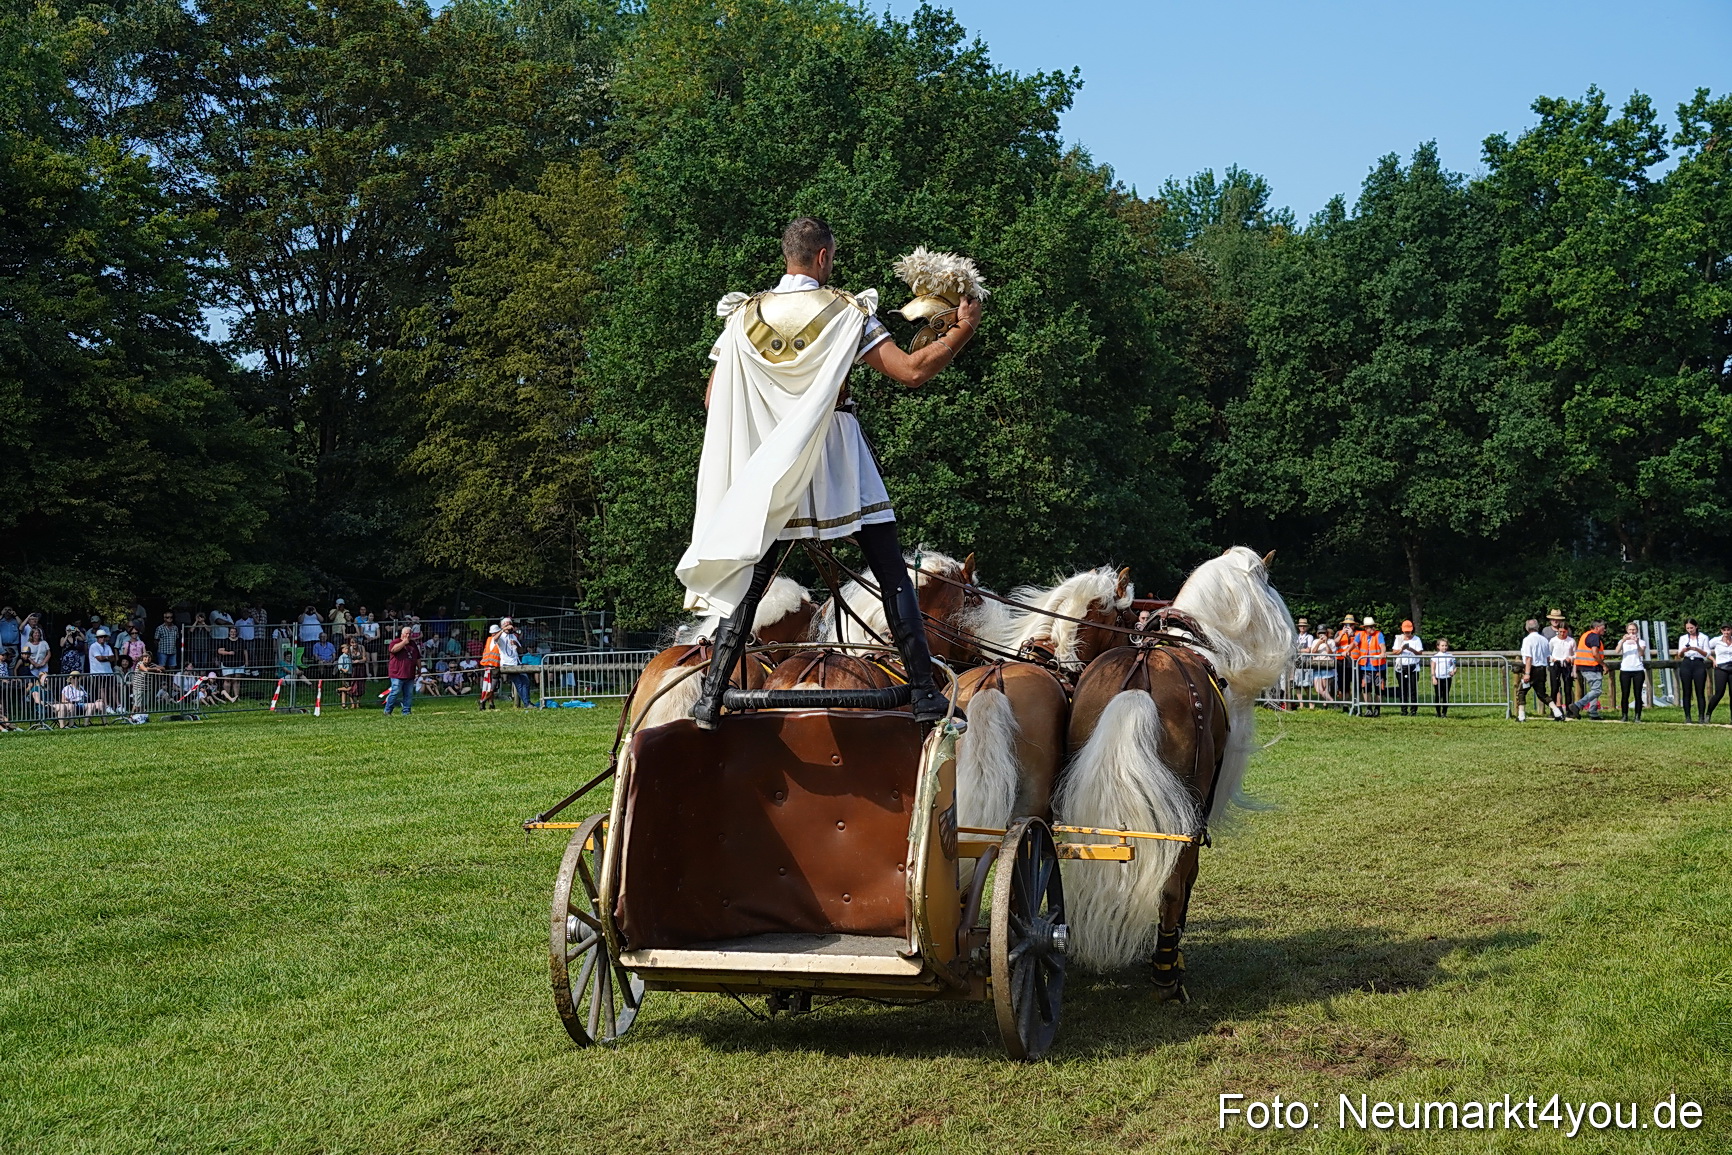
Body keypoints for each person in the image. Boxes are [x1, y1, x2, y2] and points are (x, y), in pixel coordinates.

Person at [681, 218, 983, 728]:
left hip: (773, 466)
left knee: (752, 580)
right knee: (890, 573)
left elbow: (715, 398)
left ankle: (711, 697)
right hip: (837, 459)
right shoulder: (847, 311)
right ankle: (924, 694)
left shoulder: (742, 317)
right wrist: (963, 329)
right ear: (823, 256)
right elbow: (911, 371)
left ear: (788, 256)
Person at [1566, 619, 1606, 720]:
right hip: (1591, 666)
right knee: (1597, 690)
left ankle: (1593, 713)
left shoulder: (1586, 635)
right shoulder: (1594, 636)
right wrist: (1603, 665)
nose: (1605, 630)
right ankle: (1577, 705)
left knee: (1594, 690)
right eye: (1603, 627)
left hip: (1584, 666)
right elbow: (1595, 653)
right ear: (1597, 628)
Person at [1516, 619, 1555, 722]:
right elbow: (1548, 657)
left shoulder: (1527, 640)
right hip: (1542, 669)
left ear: (1527, 628)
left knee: (1521, 691)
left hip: (1532, 669)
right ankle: (1558, 712)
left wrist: (1527, 673)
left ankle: (1521, 716)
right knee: (1541, 694)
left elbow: (1529, 658)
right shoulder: (1544, 640)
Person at [1676, 619, 1711, 723]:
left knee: (1700, 691)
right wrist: (1684, 650)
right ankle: (1688, 717)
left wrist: (1696, 649)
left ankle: (1701, 717)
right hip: (1686, 663)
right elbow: (1679, 655)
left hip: (1698, 663)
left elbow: (1707, 654)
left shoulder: (1704, 637)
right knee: (1686, 691)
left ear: (1696, 626)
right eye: (1688, 628)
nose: (1690, 630)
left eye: (1691, 628)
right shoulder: (1683, 638)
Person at [382, 626, 421, 716]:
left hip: (410, 673)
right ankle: (387, 710)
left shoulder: (413, 644)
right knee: (395, 692)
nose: (408, 635)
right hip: (397, 673)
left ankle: (406, 711)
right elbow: (393, 650)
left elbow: (418, 657)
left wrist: (419, 668)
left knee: (408, 694)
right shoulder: (395, 642)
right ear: (402, 634)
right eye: (406, 633)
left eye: (410, 633)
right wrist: (404, 642)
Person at [1614, 621, 1647, 722]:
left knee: (1638, 694)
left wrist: (1637, 643)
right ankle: (1624, 715)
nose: (1632, 632)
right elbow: (1617, 651)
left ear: (1637, 631)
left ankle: (1637, 716)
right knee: (1625, 693)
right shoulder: (1622, 641)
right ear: (1627, 630)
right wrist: (1623, 641)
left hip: (1638, 669)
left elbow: (1641, 653)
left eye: (1634, 630)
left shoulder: (1641, 641)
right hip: (1625, 669)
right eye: (1630, 630)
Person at [1389, 620, 1423, 716]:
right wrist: (1402, 649)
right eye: (1406, 631)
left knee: (1413, 689)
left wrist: (1410, 649)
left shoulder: (1416, 639)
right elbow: (1394, 652)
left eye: (1409, 631)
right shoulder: (1399, 639)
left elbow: (1420, 653)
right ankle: (1403, 710)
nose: (1407, 633)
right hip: (1401, 667)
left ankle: (1413, 710)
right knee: (1403, 689)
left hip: (1413, 667)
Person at [496, 617, 531, 708]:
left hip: (517, 662)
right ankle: (527, 703)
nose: (509, 626)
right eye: (506, 624)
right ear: (502, 626)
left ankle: (527, 701)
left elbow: (521, 650)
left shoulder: (513, 636)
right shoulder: (501, 636)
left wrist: (516, 644)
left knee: (526, 681)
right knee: (519, 683)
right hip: (508, 664)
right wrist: (503, 630)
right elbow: (494, 639)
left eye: (510, 624)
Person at [1356, 615, 1386, 717]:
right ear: (1365, 628)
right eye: (1370, 627)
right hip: (1365, 667)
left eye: (1373, 626)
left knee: (1379, 689)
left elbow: (1382, 645)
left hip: (1379, 667)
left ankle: (1377, 709)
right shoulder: (1360, 635)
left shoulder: (1379, 634)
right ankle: (1368, 708)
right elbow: (1354, 644)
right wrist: (1347, 651)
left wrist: (1383, 652)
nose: (1373, 628)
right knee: (1366, 689)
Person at [1548, 622, 1576, 719]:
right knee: (1554, 688)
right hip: (1555, 665)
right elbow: (1548, 653)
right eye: (1560, 631)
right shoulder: (1553, 640)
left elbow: (1575, 653)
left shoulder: (1571, 641)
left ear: (1567, 631)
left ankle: (1569, 710)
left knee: (1567, 688)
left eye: (1564, 632)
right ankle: (1553, 710)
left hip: (1566, 665)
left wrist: (1570, 658)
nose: (1562, 634)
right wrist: (1553, 659)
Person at [1335, 615, 1358, 712]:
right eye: (1346, 625)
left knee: (1355, 684)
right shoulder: (1339, 632)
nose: (1348, 626)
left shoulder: (1358, 634)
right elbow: (1335, 643)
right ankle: (1345, 704)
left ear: (1354, 625)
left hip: (1354, 661)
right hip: (1341, 661)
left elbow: (1359, 643)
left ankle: (1356, 704)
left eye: (1350, 625)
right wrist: (1342, 634)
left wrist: (1352, 635)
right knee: (1344, 685)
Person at [1292, 617, 1315, 707]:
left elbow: (1308, 650)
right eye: (1301, 626)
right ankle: (1301, 704)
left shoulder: (1309, 637)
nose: (1302, 627)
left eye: (1304, 626)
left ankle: (1311, 703)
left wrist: (1298, 650)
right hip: (1297, 662)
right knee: (1297, 684)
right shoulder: (1296, 637)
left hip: (1306, 662)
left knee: (1306, 684)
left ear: (1306, 627)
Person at [1310, 628, 1337, 706]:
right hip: (1317, 666)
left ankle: (1325, 704)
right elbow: (1313, 652)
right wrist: (1319, 643)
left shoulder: (1331, 641)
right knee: (1318, 689)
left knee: (1325, 688)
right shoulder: (1315, 641)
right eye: (1320, 633)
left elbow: (1330, 653)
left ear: (1327, 634)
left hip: (1327, 666)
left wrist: (1326, 643)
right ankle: (1333, 701)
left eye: (1323, 633)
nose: (1321, 635)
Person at [1431, 638, 1457, 717]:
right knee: (1438, 695)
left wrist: (1453, 671)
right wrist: (1433, 677)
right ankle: (1438, 712)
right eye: (1442, 645)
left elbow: (1454, 666)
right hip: (1438, 678)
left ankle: (1444, 712)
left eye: (1446, 645)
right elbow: (1433, 668)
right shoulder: (1435, 656)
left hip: (1447, 678)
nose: (1444, 647)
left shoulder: (1450, 656)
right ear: (1438, 646)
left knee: (1446, 695)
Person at [478, 624, 501, 710]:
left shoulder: (490, 639)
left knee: (490, 686)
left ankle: (489, 702)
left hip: (489, 664)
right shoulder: (496, 639)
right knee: (491, 686)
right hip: (491, 665)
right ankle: (484, 701)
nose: (493, 634)